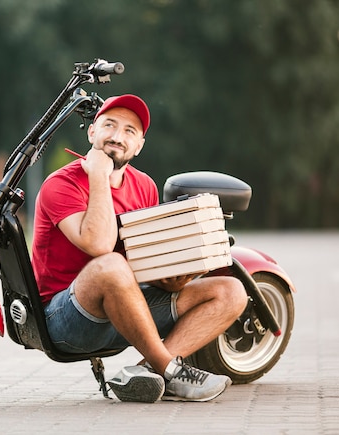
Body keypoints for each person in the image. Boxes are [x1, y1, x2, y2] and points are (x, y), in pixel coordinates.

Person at [31, 94, 247, 403]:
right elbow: (99, 245)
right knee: (110, 265)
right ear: (92, 133)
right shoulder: (61, 184)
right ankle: (172, 372)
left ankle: (144, 374)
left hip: (127, 313)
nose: (118, 137)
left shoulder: (144, 185)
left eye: (130, 131)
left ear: (139, 146)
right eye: (109, 125)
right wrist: (98, 175)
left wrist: (171, 278)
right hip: (68, 320)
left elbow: (144, 258)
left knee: (231, 291)